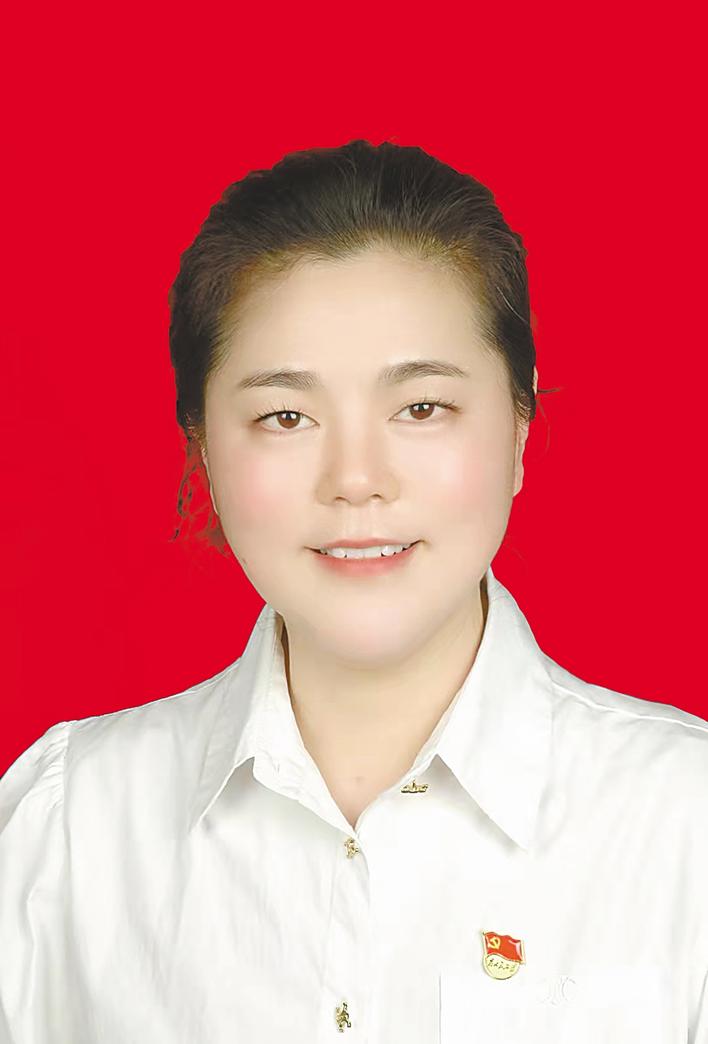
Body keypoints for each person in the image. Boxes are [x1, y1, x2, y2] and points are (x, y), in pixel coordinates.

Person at [1, 139, 706, 1043]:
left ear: (520, 422)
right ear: (203, 445)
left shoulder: (684, 823)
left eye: (421, 408)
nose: (356, 480)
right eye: (285, 416)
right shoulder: (70, 827)